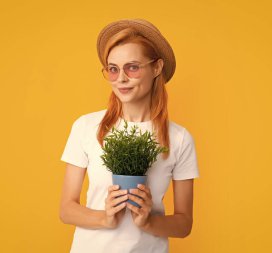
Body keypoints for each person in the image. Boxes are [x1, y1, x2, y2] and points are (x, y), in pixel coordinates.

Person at [59, 18, 200, 253]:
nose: (121, 78)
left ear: (156, 68)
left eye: (132, 67)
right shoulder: (86, 126)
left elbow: (184, 223)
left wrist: (149, 221)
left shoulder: (179, 139)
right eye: (113, 69)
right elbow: (66, 209)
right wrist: (105, 218)